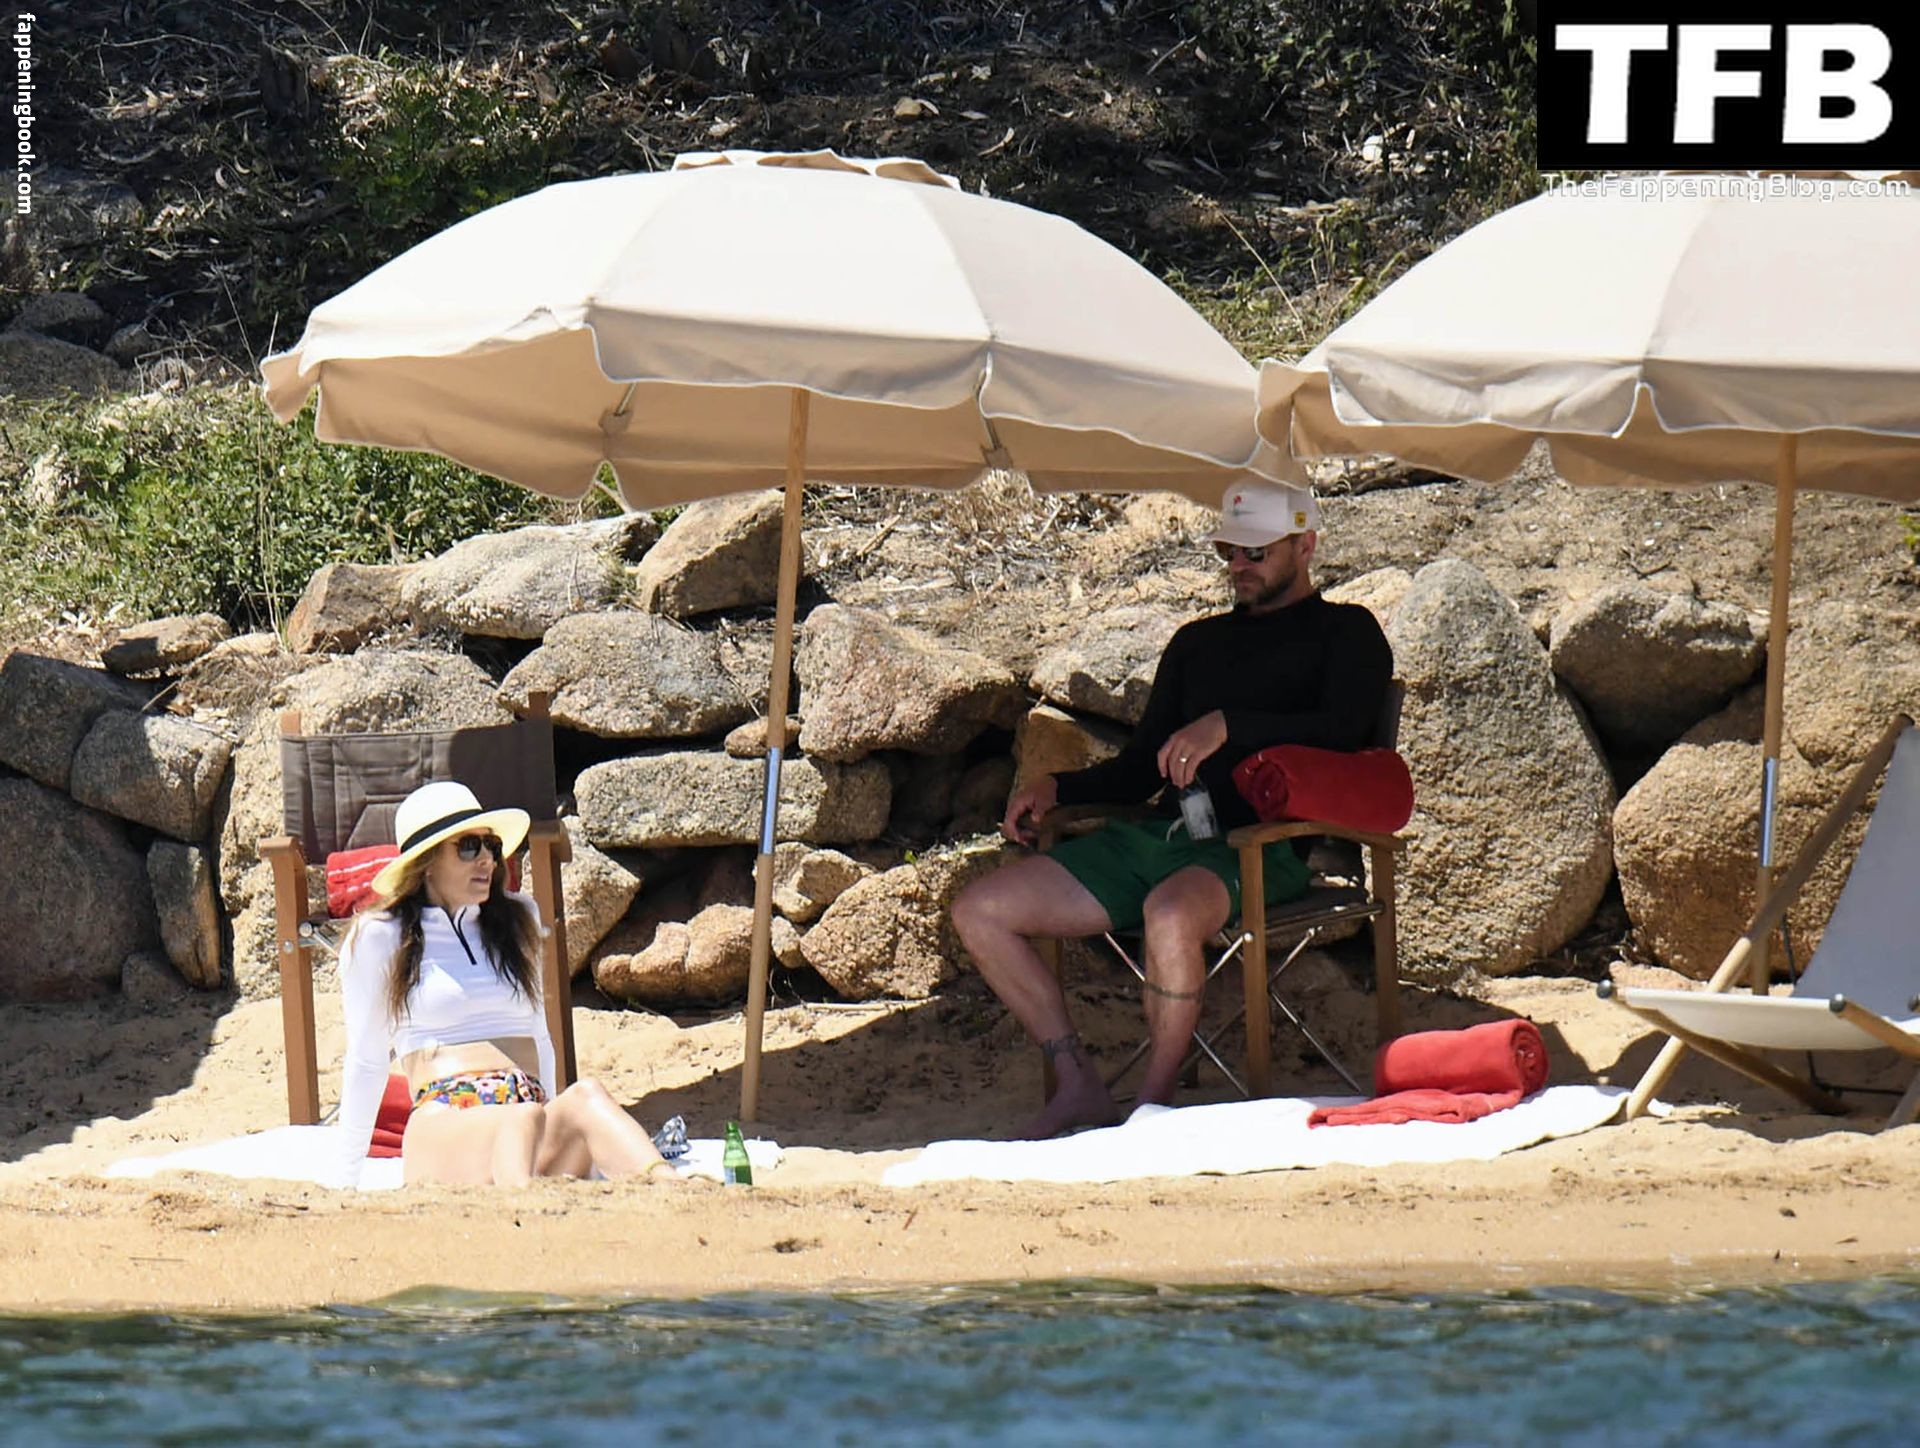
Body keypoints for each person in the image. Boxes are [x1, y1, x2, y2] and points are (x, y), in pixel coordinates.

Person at [951, 480, 1393, 1137]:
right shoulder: (1197, 643)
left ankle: (1152, 1108)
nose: (1238, 566)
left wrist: (1228, 725)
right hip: (1163, 834)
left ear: (1305, 546)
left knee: (1169, 913)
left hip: (1266, 843)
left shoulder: (1347, 632)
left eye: (1256, 552)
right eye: (1228, 552)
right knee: (980, 910)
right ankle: (1078, 1083)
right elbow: (1140, 768)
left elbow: (1344, 731)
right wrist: (1060, 789)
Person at [334, 780, 679, 1188]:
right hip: (446, 1122)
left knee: (585, 1097)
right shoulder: (381, 935)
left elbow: (539, 1035)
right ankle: (522, 1202)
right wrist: (346, 1178)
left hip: (526, 1111)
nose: (487, 859)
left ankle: (673, 1187)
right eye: (469, 847)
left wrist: (550, 1108)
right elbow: (367, 1059)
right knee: (520, 1119)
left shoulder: (518, 920)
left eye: (492, 846)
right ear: (426, 862)